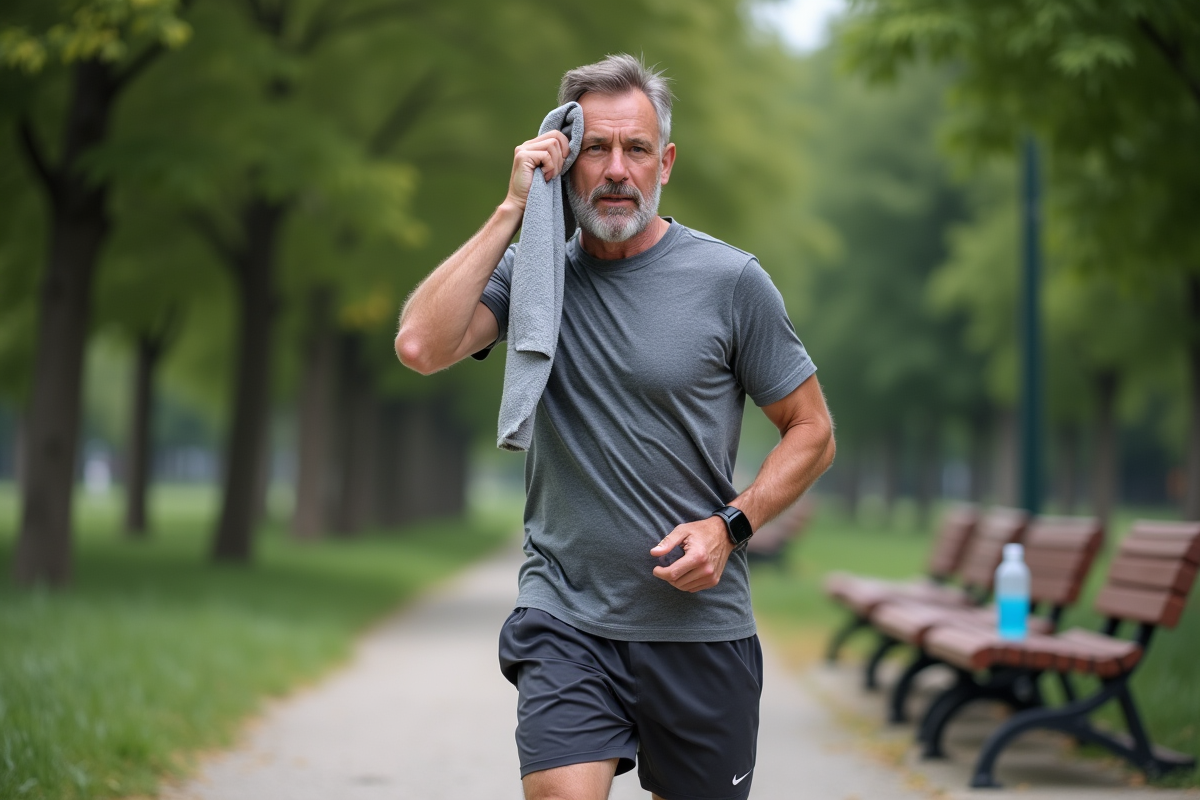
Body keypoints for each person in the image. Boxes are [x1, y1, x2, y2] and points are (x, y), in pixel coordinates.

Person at [395, 54, 835, 800]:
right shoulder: (535, 277)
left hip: (699, 626)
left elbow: (812, 430)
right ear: (563, 159)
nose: (616, 169)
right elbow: (421, 346)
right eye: (595, 148)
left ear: (665, 161)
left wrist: (731, 525)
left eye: (635, 149)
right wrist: (512, 209)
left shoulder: (731, 282)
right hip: (565, 615)